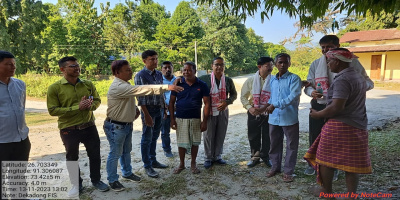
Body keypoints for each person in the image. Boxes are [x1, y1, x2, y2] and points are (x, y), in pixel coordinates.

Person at [104, 60, 183, 191]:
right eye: (127, 70)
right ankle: (112, 180)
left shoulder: (125, 83)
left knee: (126, 151)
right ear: (117, 73)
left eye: (130, 69)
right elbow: (141, 90)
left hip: (125, 125)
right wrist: (167, 87)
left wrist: (134, 109)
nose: (130, 71)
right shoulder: (118, 86)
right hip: (116, 126)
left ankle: (127, 173)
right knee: (115, 153)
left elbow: (127, 99)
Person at [304, 48, 372, 197]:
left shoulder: (342, 80)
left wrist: (317, 114)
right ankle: (351, 195)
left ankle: (327, 193)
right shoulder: (358, 77)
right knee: (351, 163)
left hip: (339, 125)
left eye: (329, 61)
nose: (328, 64)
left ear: (338, 61)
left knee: (324, 159)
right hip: (358, 125)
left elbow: (336, 107)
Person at [47, 56, 109, 197]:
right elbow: (53, 110)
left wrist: (90, 106)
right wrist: (77, 107)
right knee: (72, 158)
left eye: (77, 65)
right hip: (69, 129)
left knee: (95, 155)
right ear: (62, 69)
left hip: (89, 126)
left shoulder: (87, 84)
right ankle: (77, 184)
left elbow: (97, 100)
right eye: (72, 66)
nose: (77, 68)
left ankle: (96, 180)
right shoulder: (55, 88)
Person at [264, 53, 301, 182]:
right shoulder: (272, 79)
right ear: (275, 64)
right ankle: (275, 167)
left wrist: (275, 104)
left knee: (291, 145)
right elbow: (272, 96)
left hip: (289, 118)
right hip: (274, 118)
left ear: (290, 64)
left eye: (285, 62)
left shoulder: (294, 79)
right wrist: (266, 105)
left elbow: (292, 97)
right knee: (274, 144)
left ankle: (288, 171)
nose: (283, 64)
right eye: (280, 62)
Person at [169, 61, 210, 174]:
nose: (186, 72)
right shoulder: (178, 84)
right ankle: (181, 164)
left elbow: (207, 104)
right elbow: (171, 103)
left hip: (195, 118)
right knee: (181, 143)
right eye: (184, 70)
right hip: (180, 118)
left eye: (189, 70)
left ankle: (193, 164)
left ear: (194, 71)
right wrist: (172, 119)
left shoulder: (202, 85)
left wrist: (204, 121)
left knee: (194, 142)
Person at [0, 51, 31, 198]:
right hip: (1, 141)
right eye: (8, 64)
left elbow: (21, 108)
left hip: (21, 139)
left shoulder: (20, 84)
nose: (13, 67)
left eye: (14, 64)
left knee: (18, 177)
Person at [134, 50, 168, 178]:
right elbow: (140, 97)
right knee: (146, 138)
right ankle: (147, 165)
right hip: (148, 110)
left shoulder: (159, 74)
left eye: (156, 59)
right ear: (144, 61)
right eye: (151, 59)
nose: (155, 61)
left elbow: (161, 92)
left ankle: (153, 160)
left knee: (154, 137)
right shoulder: (140, 75)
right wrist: (146, 115)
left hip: (159, 108)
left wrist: (164, 109)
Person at [199, 57, 237, 169]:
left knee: (221, 133)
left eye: (222, 65)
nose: (219, 67)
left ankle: (217, 156)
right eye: (217, 64)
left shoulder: (228, 80)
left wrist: (227, 102)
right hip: (209, 110)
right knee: (208, 135)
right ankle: (208, 157)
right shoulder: (204, 79)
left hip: (223, 111)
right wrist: (179, 79)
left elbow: (234, 94)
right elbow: (191, 81)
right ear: (212, 66)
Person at [240, 57, 274, 168]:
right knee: (253, 135)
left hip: (269, 112)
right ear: (259, 67)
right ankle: (255, 157)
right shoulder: (250, 80)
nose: (271, 68)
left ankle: (266, 156)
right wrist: (250, 108)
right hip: (253, 111)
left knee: (267, 135)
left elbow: (275, 97)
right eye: (267, 65)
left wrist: (265, 107)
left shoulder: (274, 80)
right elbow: (243, 97)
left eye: (271, 65)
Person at [160, 61, 176, 158]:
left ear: (172, 68)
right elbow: (159, 96)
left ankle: (185, 148)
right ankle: (167, 150)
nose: (167, 70)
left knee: (182, 129)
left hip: (178, 109)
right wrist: (165, 106)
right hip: (165, 110)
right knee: (165, 132)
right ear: (161, 69)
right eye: (165, 68)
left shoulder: (178, 80)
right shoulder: (159, 81)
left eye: (169, 67)